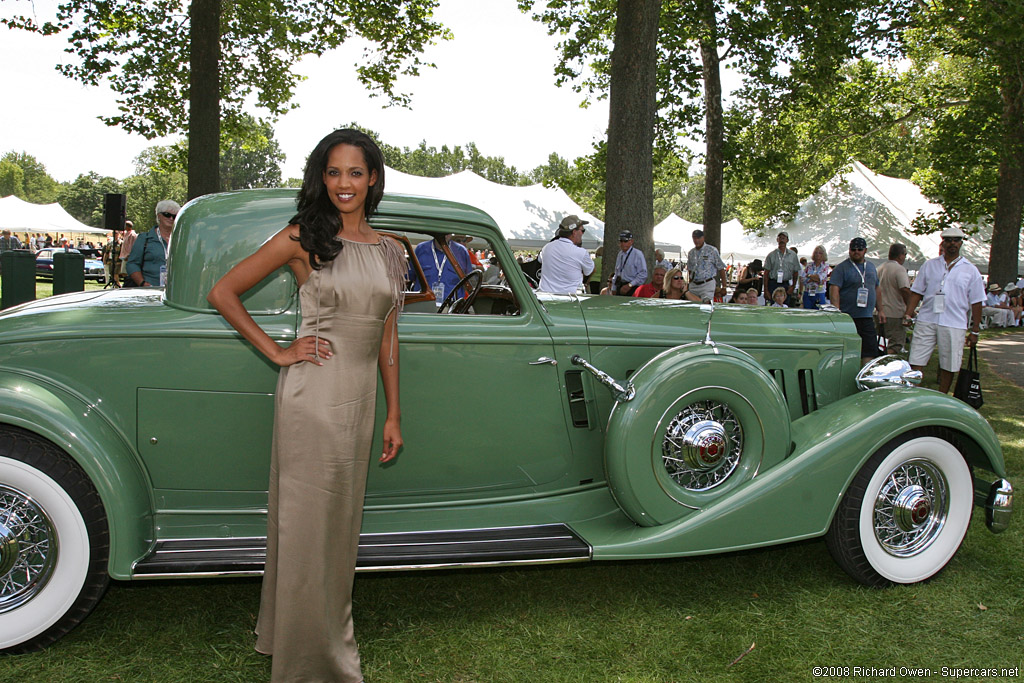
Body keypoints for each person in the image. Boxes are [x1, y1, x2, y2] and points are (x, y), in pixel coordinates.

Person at [207, 129, 405, 683]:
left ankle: (293, 636)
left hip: (361, 401)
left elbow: (389, 339)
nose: (345, 183)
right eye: (334, 172)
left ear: (373, 179)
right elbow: (223, 292)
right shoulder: (303, 237)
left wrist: (393, 413)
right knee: (309, 526)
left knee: (338, 528)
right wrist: (277, 350)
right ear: (323, 177)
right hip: (313, 398)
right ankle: (318, 660)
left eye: (356, 173)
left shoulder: (392, 250)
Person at [902, 226, 986, 394]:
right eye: (948, 240)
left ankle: (943, 395)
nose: (952, 244)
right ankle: (912, 393)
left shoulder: (970, 270)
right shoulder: (930, 265)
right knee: (916, 357)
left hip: (954, 322)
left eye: (956, 240)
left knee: (950, 362)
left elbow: (977, 302)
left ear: (961, 243)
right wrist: (908, 313)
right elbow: (917, 291)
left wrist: (975, 330)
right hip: (927, 318)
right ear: (943, 243)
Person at [829, 237, 884, 365]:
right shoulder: (841, 268)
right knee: (848, 350)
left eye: (859, 249)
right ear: (849, 250)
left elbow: (876, 288)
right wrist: (837, 312)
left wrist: (881, 310)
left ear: (865, 250)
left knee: (869, 350)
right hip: (848, 317)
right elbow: (834, 289)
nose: (856, 252)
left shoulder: (871, 267)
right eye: (853, 249)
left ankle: (865, 375)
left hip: (867, 316)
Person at [537, 215, 594, 294]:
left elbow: (540, 260)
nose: (582, 233)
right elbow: (589, 271)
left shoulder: (546, 247)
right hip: (571, 300)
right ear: (574, 232)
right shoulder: (581, 252)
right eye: (582, 230)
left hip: (546, 298)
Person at [126, 202, 179, 286]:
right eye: (167, 215)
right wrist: (142, 283)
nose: (171, 218)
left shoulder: (181, 239)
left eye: (175, 216)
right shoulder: (145, 238)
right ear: (159, 216)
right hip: (151, 289)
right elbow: (132, 264)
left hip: (176, 290)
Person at [413, 233, 473, 304]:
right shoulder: (421, 249)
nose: (445, 234)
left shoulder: (461, 251)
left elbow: (470, 280)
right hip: (423, 305)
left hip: (452, 308)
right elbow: (411, 276)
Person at [876, 243, 912, 353]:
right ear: (900, 255)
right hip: (894, 313)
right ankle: (886, 364)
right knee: (894, 344)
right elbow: (905, 289)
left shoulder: (879, 268)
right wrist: (910, 308)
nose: (905, 258)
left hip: (878, 312)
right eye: (905, 255)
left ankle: (877, 362)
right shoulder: (899, 269)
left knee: (880, 344)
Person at [685, 229, 726, 302]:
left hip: (707, 283)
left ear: (703, 238)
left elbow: (721, 268)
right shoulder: (691, 253)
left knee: (706, 305)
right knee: (692, 304)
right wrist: (689, 283)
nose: (696, 240)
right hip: (694, 284)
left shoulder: (712, 250)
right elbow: (690, 269)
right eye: (694, 238)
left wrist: (724, 286)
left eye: (698, 238)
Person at [763, 232, 801, 305]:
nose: (782, 240)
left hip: (785, 284)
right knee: (772, 306)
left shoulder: (793, 255)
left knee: (785, 306)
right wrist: (766, 290)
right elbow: (766, 273)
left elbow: (795, 272)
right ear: (777, 240)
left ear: (787, 240)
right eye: (780, 238)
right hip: (773, 283)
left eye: (784, 238)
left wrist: (793, 286)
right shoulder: (771, 255)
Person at [612, 230, 647, 296]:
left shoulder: (637, 254)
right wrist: (613, 287)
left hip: (633, 286)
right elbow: (617, 271)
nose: (623, 243)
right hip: (620, 285)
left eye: (625, 241)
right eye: (621, 241)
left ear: (631, 241)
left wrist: (630, 285)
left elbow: (643, 274)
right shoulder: (620, 254)